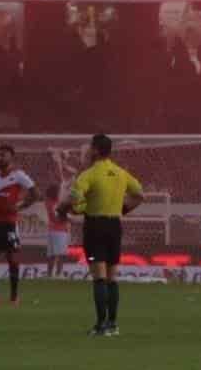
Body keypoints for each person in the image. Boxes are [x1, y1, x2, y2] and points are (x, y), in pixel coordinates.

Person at [57, 133, 144, 338]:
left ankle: (100, 326)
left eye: (89, 147)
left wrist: (62, 210)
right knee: (112, 278)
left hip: (95, 225)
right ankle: (113, 325)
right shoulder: (121, 172)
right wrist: (123, 209)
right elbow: (140, 194)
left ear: (95, 150)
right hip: (115, 225)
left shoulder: (89, 174)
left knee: (99, 278)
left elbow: (73, 199)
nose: (87, 151)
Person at [0, 144, 36, 306]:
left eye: (3, 155)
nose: (0, 158)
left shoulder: (18, 175)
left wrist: (20, 206)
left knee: (12, 258)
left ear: (11, 157)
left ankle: (14, 296)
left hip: (9, 224)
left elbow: (35, 193)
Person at [44, 183, 71, 277]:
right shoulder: (52, 203)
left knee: (52, 254)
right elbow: (56, 218)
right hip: (59, 231)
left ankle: (50, 274)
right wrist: (67, 218)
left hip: (54, 231)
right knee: (60, 254)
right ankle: (58, 273)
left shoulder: (51, 202)